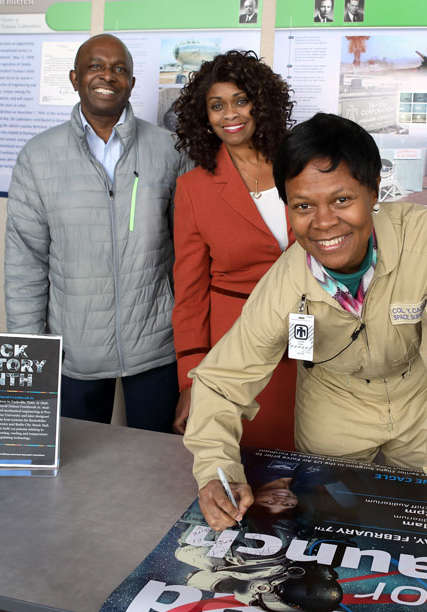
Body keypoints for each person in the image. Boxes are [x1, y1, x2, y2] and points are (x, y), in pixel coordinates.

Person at [184, 113, 427, 564]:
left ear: (374, 191)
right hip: (333, 404)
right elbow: (221, 381)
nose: (324, 222)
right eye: (303, 206)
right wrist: (217, 470)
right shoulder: (284, 284)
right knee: (332, 536)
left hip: (417, 401)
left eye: (342, 199)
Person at [5, 34, 189, 433]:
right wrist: (32, 355)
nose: (108, 75)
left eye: (120, 68)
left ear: (132, 84)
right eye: (96, 66)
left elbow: (189, 252)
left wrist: (192, 348)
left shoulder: (169, 149)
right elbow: (25, 264)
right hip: (74, 354)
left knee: (155, 470)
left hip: (156, 349)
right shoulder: (38, 156)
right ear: (75, 78)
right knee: (76, 476)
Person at [171, 50, 297, 448]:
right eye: (217, 105)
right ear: (203, 117)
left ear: (261, 104)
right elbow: (189, 295)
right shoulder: (194, 188)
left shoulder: (300, 164)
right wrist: (191, 380)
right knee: (250, 467)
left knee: (316, 465)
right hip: (237, 349)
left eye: (241, 100)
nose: (230, 114)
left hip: (314, 341)